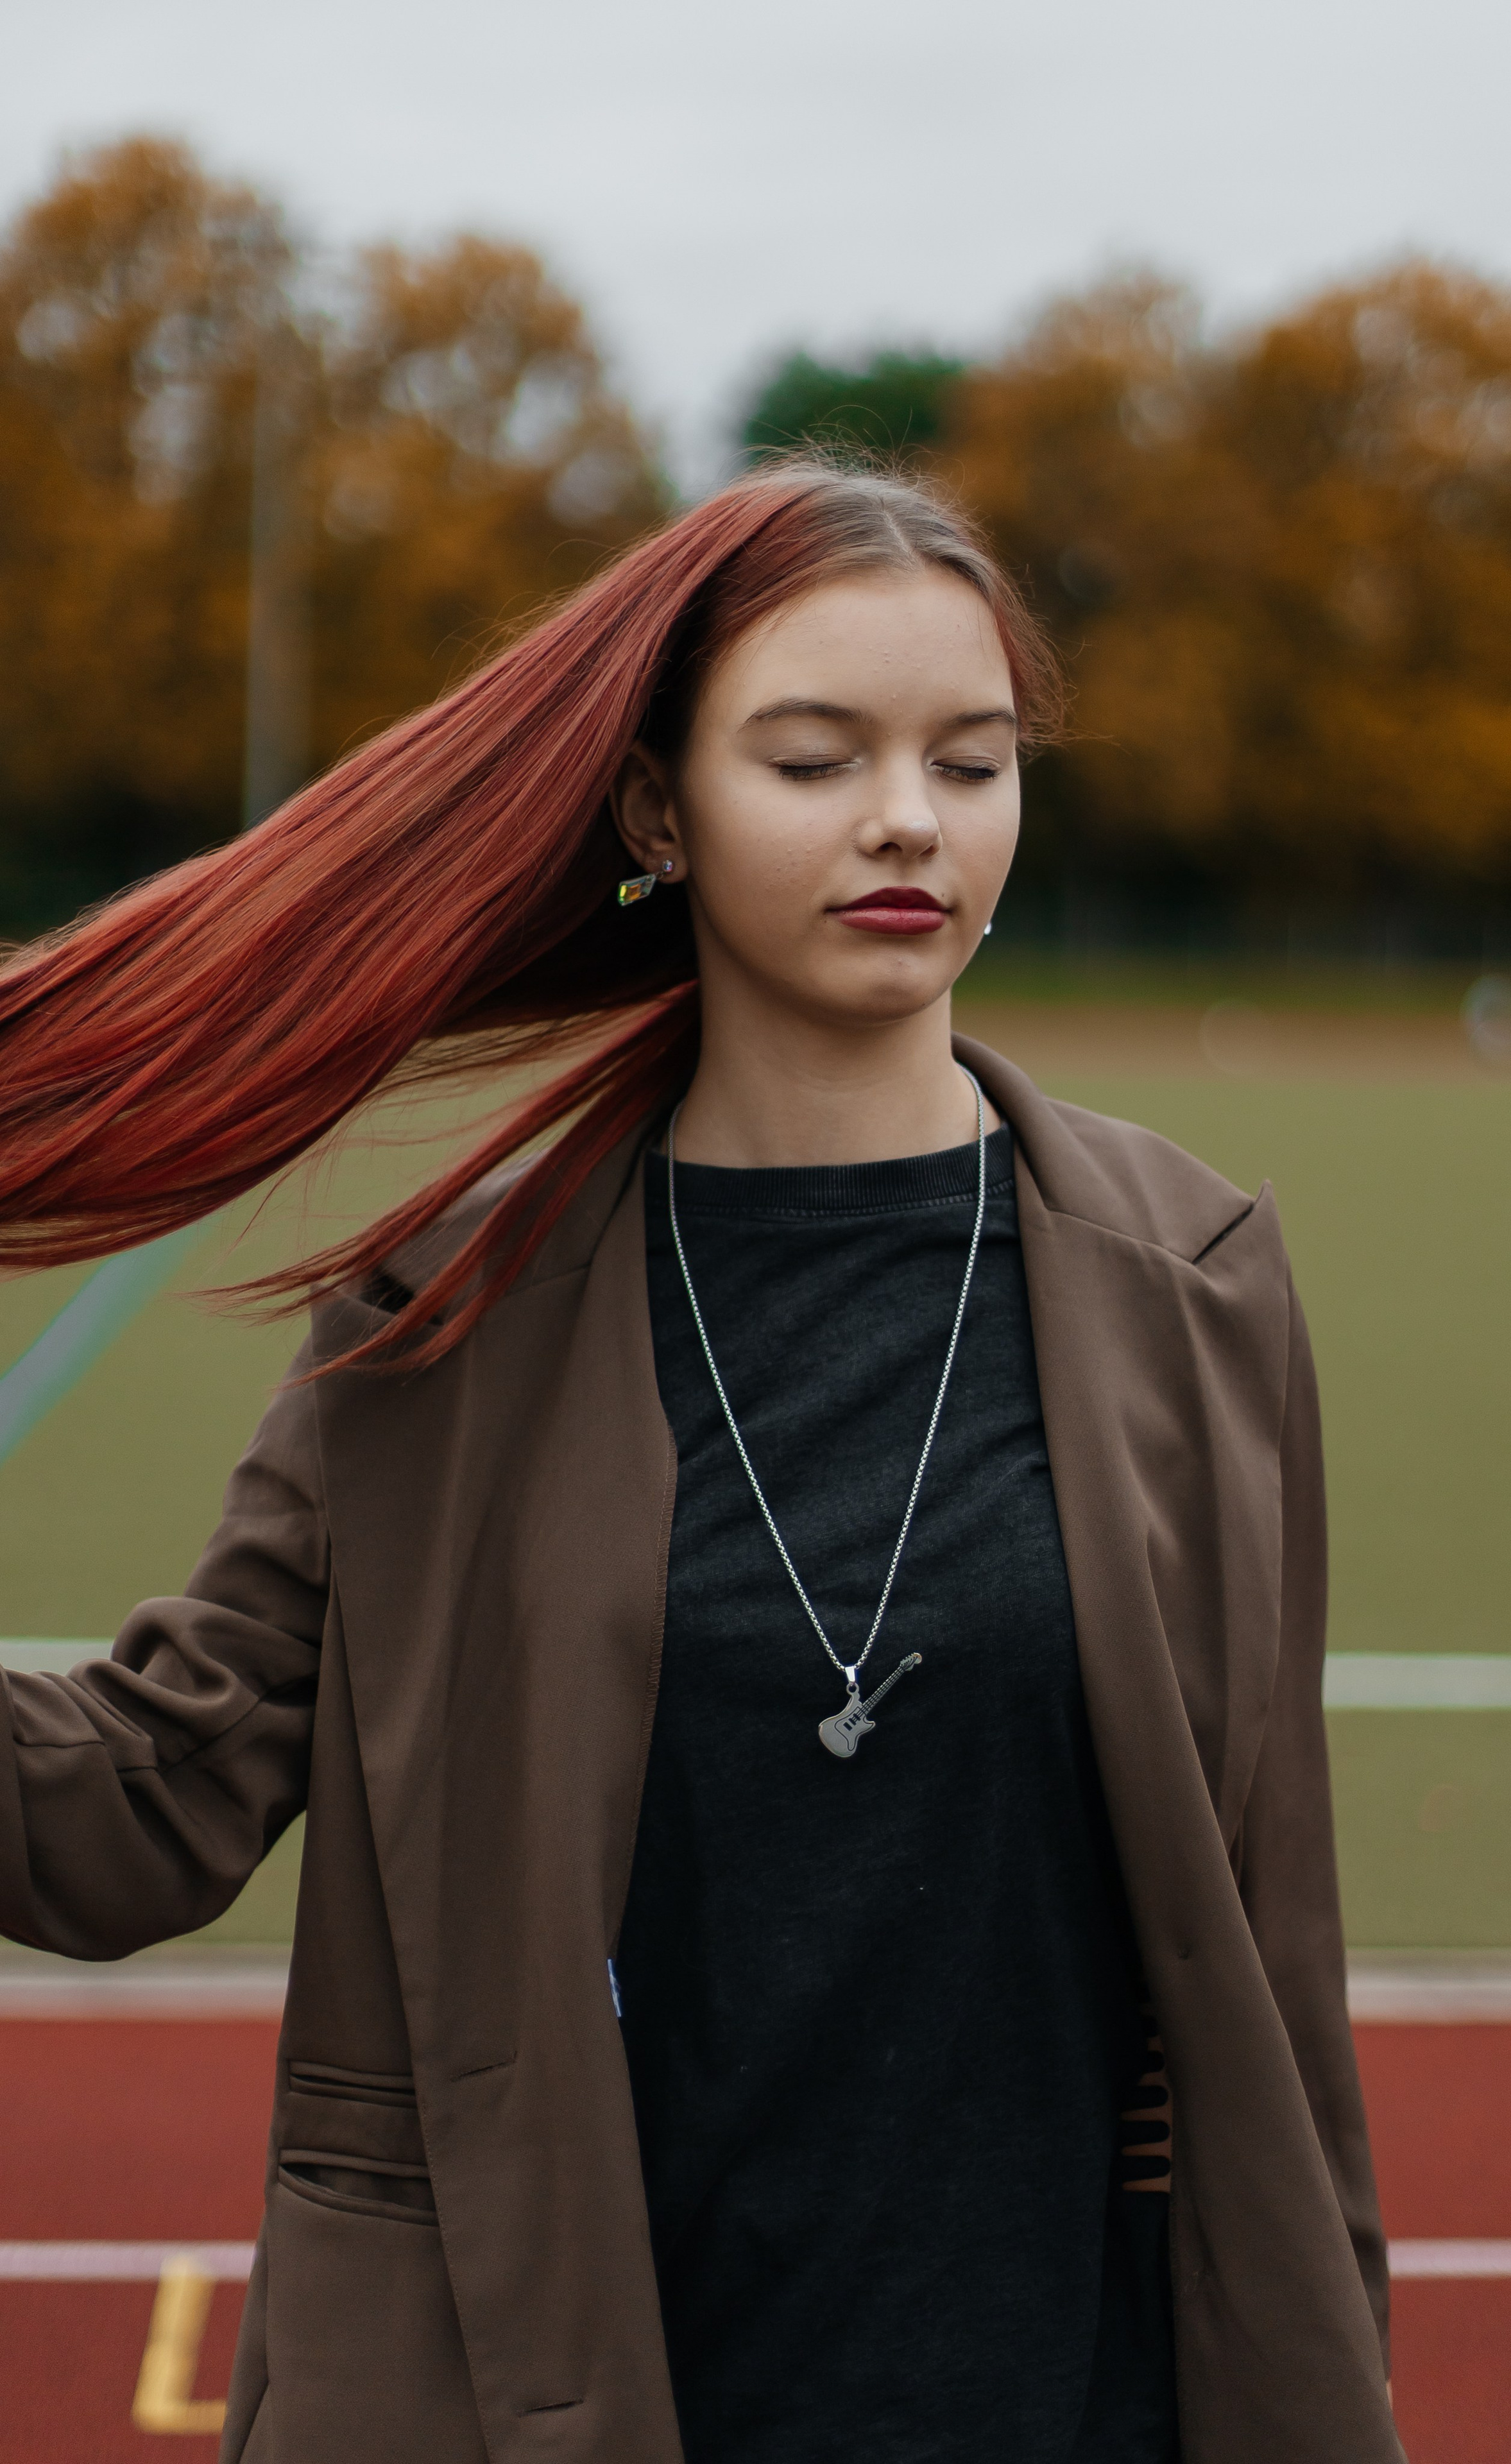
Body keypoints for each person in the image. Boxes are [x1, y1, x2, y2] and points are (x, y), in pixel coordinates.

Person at [0, 463, 1402, 2464]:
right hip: (558, 2393)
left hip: (1068, 2402)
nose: (909, 818)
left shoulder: (1196, 1288)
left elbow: (1273, 1959)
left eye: (973, 761)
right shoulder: (437, 1329)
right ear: (659, 809)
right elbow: (135, 1809)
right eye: (817, 758)